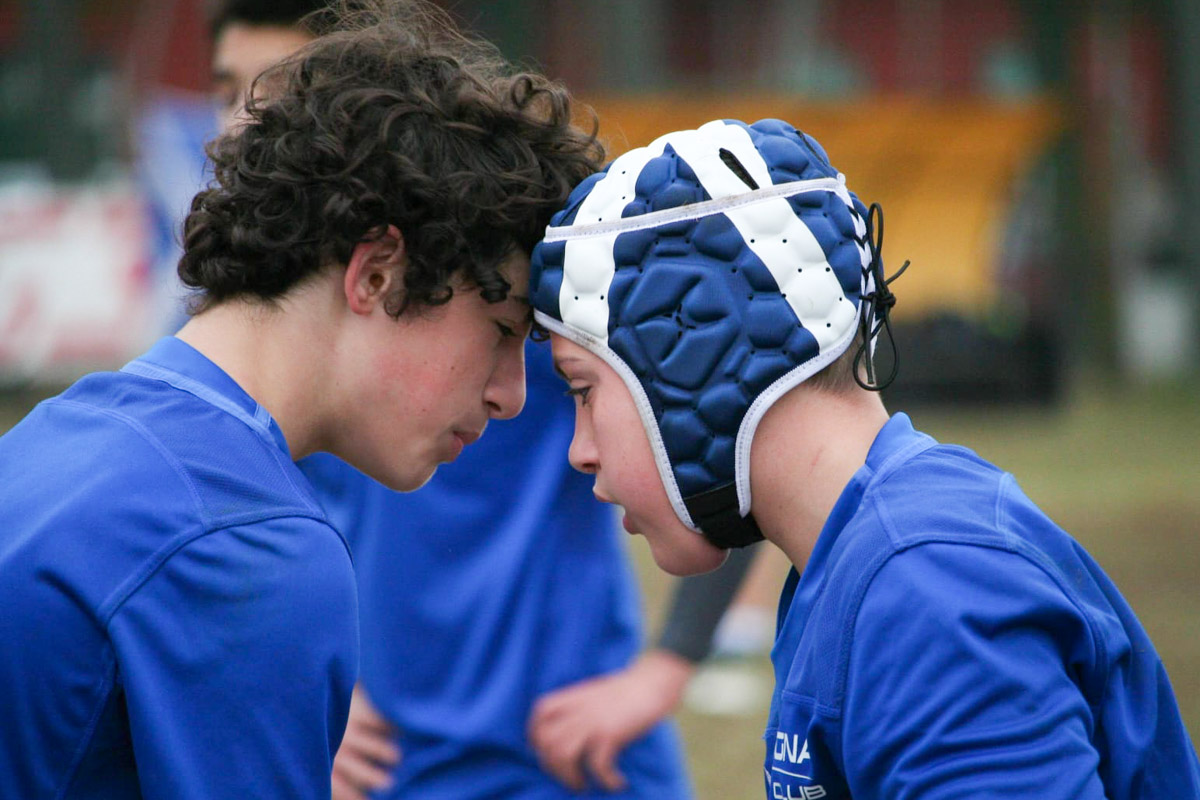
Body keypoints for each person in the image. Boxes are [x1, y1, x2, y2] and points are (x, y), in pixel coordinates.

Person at [0, 2, 601, 797]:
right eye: (499, 329)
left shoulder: (52, 438)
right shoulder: (245, 541)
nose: (513, 398)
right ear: (377, 271)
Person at [530, 117, 1200, 799]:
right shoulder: (864, 559)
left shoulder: (928, 597)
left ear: (691, 361)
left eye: (583, 391)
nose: (579, 451)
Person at [205, 3, 754, 797]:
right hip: (384, 769)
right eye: (227, 92)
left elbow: (731, 414)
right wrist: (286, 677)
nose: (232, 130)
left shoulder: (510, 280)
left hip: (568, 764)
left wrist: (665, 669)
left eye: (274, 98)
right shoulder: (240, 343)